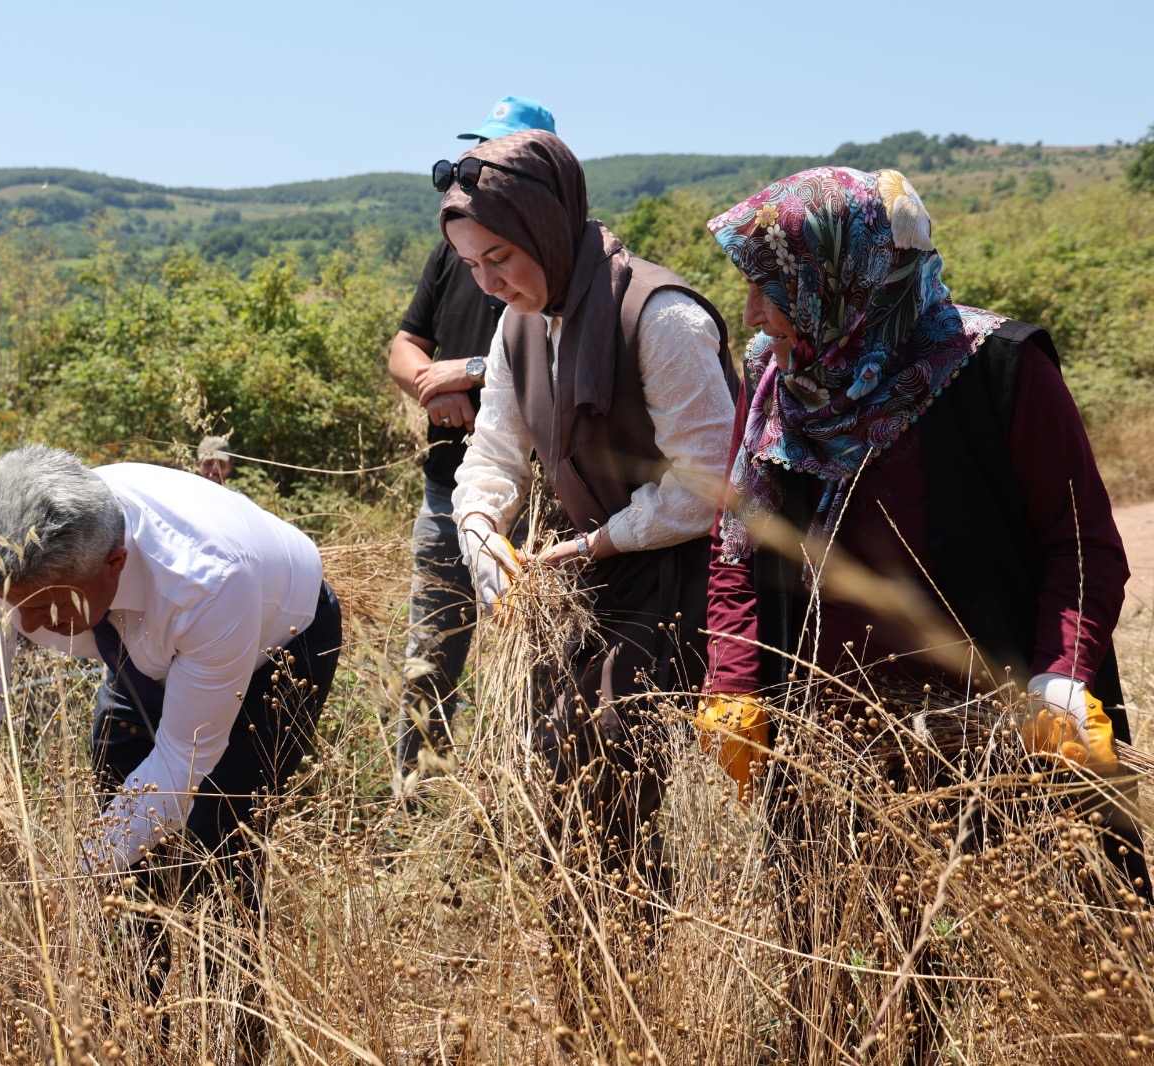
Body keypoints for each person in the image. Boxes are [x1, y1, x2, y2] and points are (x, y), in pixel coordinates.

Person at [695, 166, 1147, 1054]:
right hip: (838, 753)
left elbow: (1080, 545)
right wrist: (735, 683)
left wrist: (1061, 680)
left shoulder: (998, 371)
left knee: (1066, 985)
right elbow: (737, 550)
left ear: (846, 279)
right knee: (844, 999)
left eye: (772, 286)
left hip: (1000, 744)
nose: (752, 313)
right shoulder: (779, 381)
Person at [0, 446, 342, 1047]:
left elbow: (180, 766)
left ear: (114, 564)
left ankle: (228, 1039)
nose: (30, 628)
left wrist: (68, 881)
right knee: (126, 867)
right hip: (145, 649)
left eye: (53, 609)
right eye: (17, 608)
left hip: (277, 645)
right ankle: (133, 1034)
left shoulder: (210, 579)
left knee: (217, 851)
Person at [443, 129, 737, 882]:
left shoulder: (661, 318)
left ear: (546, 226)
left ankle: (635, 968)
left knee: (611, 772)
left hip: (679, 578)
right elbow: (493, 454)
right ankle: (587, 971)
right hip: (595, 572)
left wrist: (595, 544)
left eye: (500, 258)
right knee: (558, 776)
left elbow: (707, 485)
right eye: (472, 266)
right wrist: (481, 535)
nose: (489, 284)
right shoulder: (519, 326)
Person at [388, 94, 556, 783]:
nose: (471, 172)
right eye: (469, 160)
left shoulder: (560, 256)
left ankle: (530, 804)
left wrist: (477, 371)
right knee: (431, 651)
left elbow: (552, 354)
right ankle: (414, 795)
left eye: (487, 158)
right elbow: (404, 346)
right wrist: (434, 381)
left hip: (532, 502)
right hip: (445, 488)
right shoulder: (453, 248)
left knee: (536, 661)